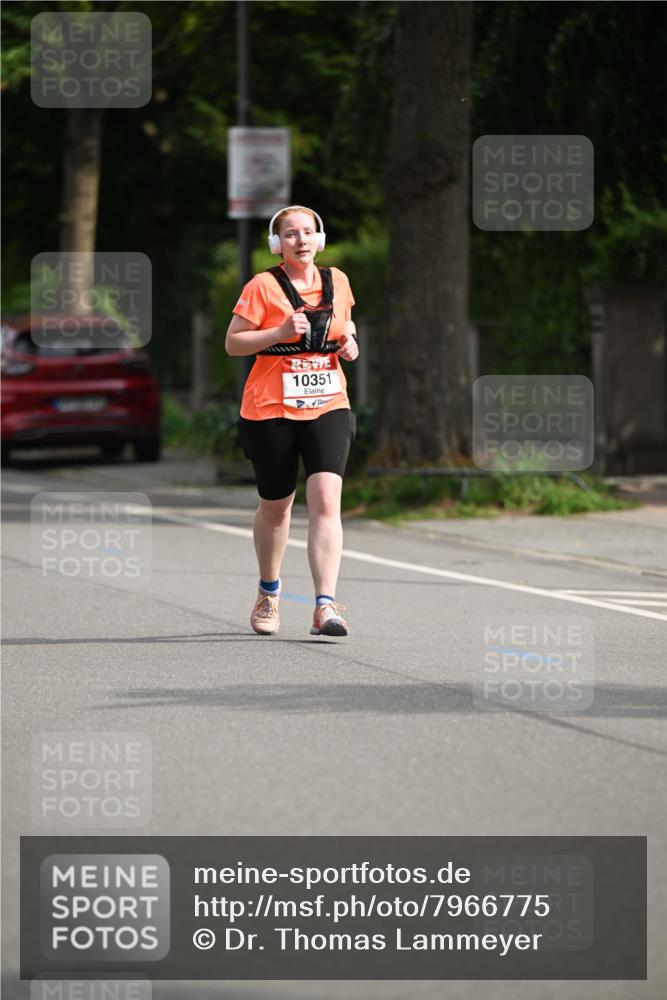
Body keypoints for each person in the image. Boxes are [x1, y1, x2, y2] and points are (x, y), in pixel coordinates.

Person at [225, 205, 359, 637]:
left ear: (318, 239)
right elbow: (233, 343)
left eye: (307, 232)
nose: (300, 240)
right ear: (276, 243)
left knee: (325, 498)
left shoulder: (337, 279)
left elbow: (346, 325)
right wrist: (278, 333)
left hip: (328, 402)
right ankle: (269, 591)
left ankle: (326, 605)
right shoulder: (261, 287)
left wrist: (349, 344)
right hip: (270, 409)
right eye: (290, 234)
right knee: (277, 506)